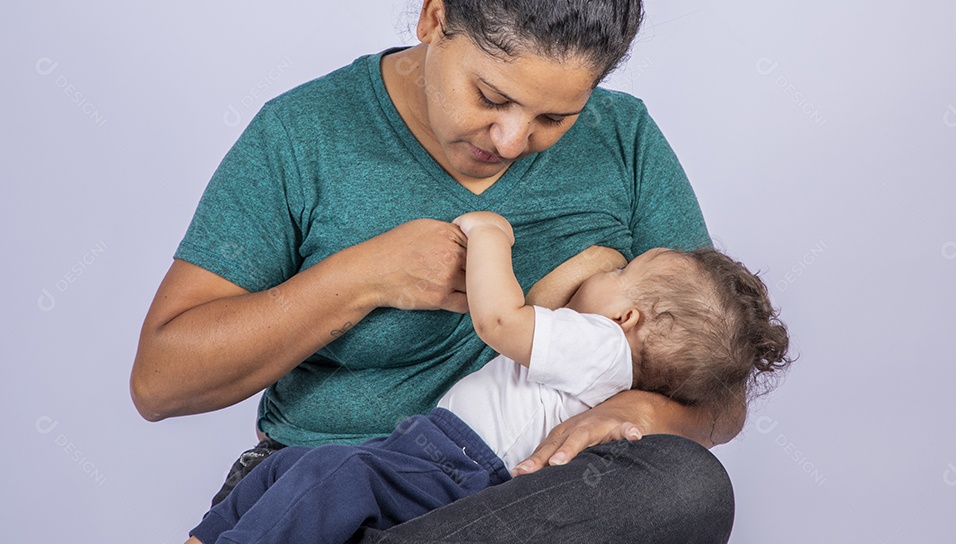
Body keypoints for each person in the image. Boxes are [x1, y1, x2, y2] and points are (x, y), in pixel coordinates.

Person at [132, 0, 747, 543]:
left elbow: (720, 393)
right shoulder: (304, 132)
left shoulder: (625, 140)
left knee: (688, 484)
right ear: (433, 20)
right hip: (332, 490)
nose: (512, 140)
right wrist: (362, 278)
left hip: (526, 505)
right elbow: (160, 381)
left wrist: (647, 412)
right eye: (490, 96)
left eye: (554, 117)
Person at [185, 211, 790, 544]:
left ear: (625, 317)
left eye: (626, 267)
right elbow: (539, 310)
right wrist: (595, 265)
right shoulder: (602, 356)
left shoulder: (602, 346)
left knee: (329, 473)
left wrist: (490, 236)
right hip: (448, 468)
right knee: (297, 467)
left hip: (454, 463)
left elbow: (503, 318)